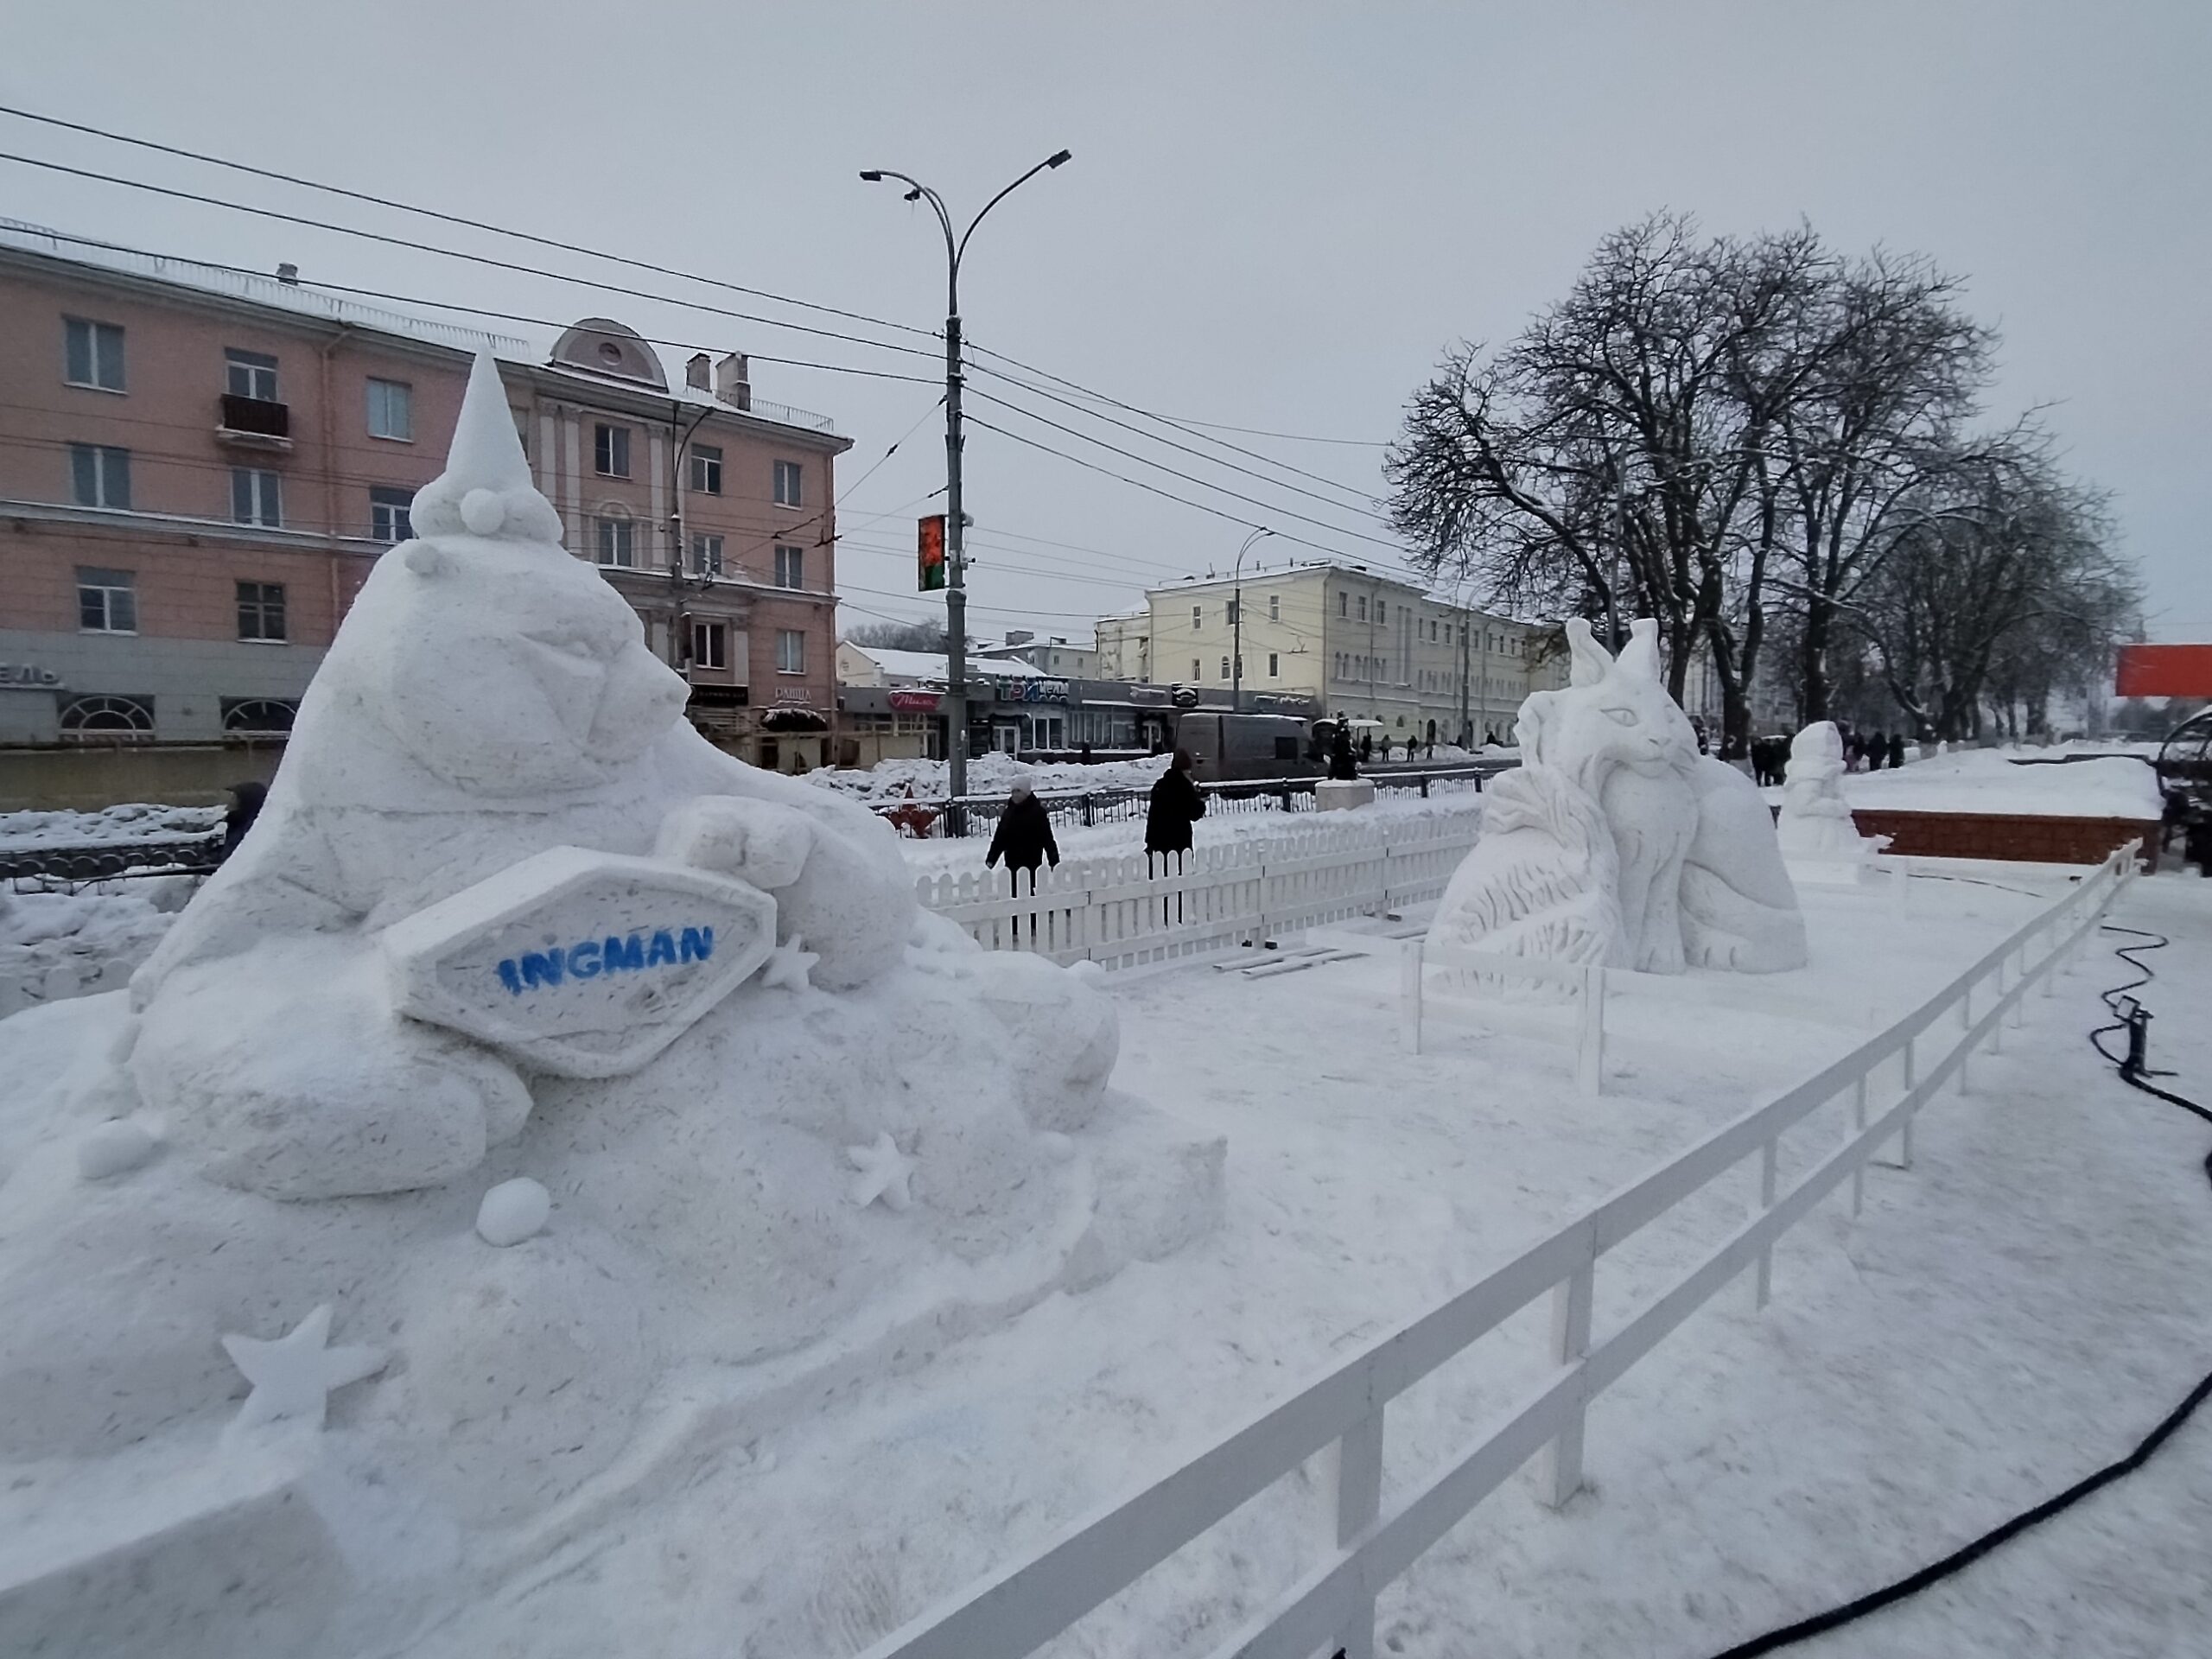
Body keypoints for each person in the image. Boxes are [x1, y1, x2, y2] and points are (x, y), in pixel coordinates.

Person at [984, 780, 1059, 879]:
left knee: (1031, 884)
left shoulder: (1037, 812)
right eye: (1013, 792)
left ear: (1026, 793)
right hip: (1012, 860)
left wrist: (1054, 861)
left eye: (1018, 791)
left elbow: (1047, 838)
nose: (1015, 795)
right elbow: (1000, 837)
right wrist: (992, 858)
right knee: (1014, 884)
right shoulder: (1009, 813)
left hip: (1032, 859)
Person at [1145, 747, 1205, 864]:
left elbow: (1153, 815)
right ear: (1185, 770)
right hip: (1179, 839)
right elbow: (1194, 813)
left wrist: (1150, 841)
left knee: (1161, 870)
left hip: (1158, 839)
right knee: (1180, 870)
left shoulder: (1160, 785)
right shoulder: (1184, 787)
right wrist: (1200, 802)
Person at [220, 779, 267, 861]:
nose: (230, 802)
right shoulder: (236, 822)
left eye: (234, 798)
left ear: (245, 802)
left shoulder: (252, 828)